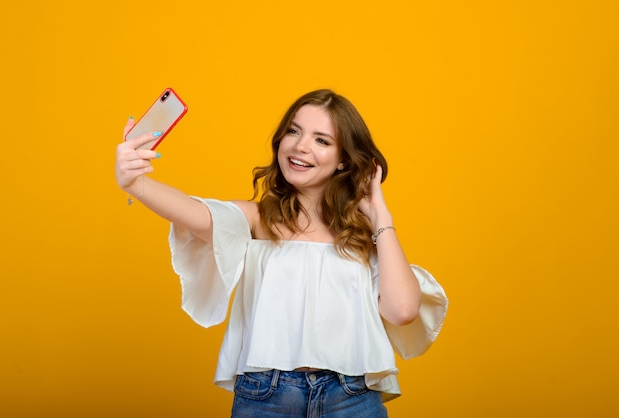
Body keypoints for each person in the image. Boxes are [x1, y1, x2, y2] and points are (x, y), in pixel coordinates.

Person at [115, 89, 448, 417]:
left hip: (351, 397)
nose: (300, 146)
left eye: (322, 140)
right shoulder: (257, 219)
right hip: (266, 397)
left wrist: (380, 218)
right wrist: (135, 184)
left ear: (343, 158)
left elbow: (403, 310)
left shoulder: (364, 236)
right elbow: (193, 211)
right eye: (293, 131)